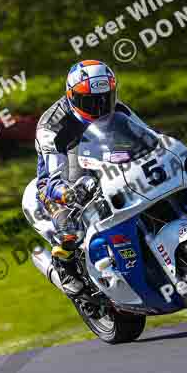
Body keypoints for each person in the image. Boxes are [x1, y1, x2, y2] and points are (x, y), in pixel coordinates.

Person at [35, 60, 127, 296]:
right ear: (72, 96)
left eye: (105, 98)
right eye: (90, 101)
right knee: (71, 226)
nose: (99, 107)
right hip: (60, 182)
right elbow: (53, 177)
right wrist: (67, 193)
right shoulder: (51, 126)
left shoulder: (118, 109)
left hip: (102, 165)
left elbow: (147, 136)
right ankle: (64, 265)